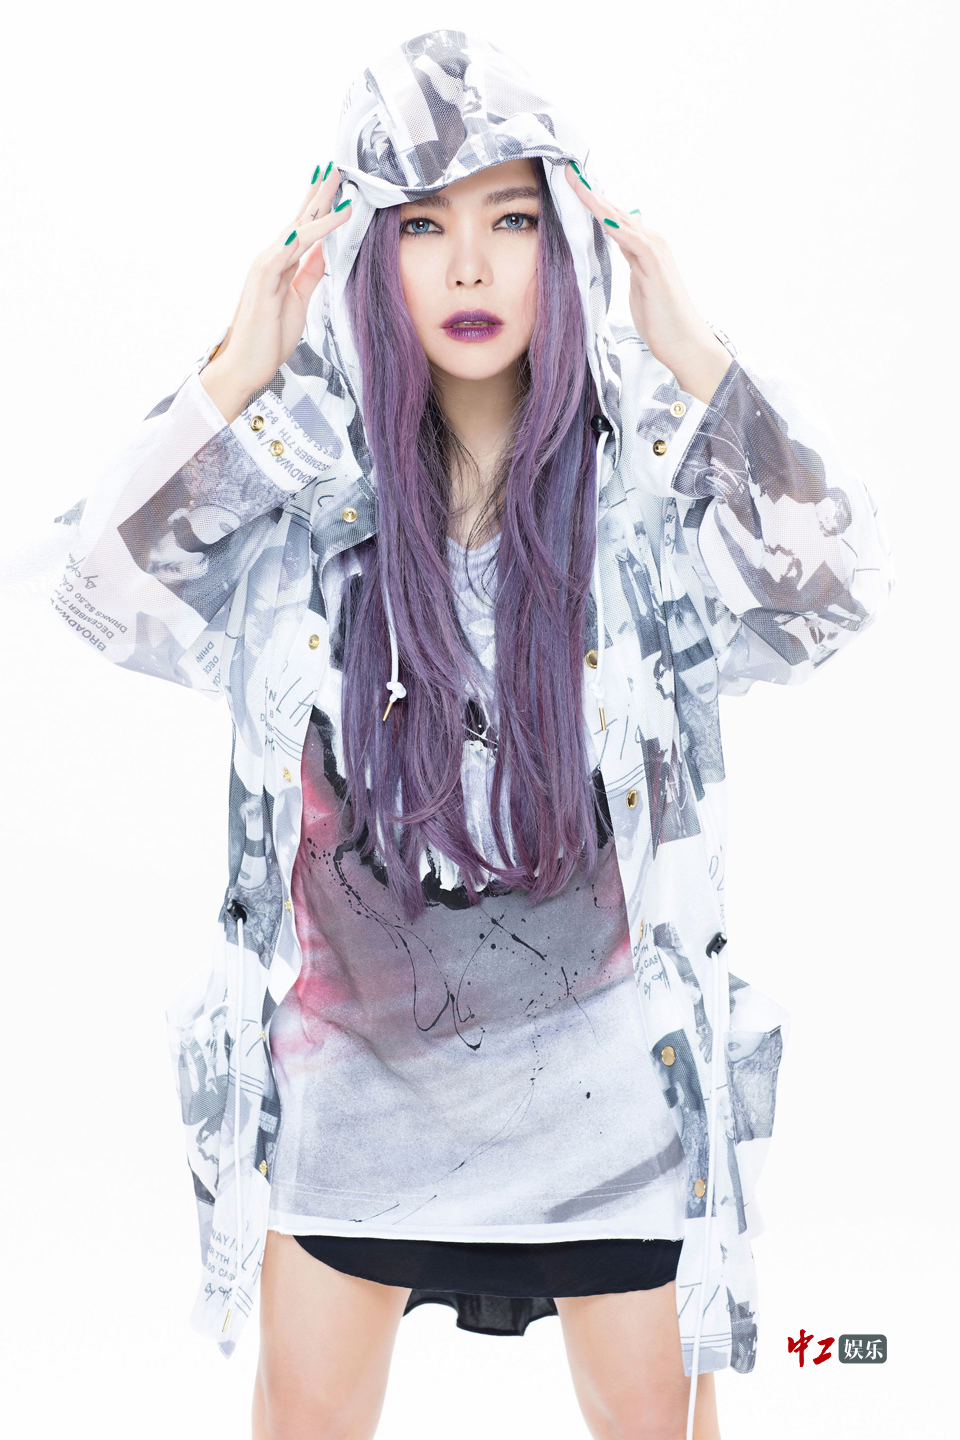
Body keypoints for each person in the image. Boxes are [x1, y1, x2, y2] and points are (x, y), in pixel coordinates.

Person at [45, 28, 892, 1440]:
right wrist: (236, 371)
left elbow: (838, 589)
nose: (470, 268)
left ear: (566, 243)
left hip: (612, 1105)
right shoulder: (305, 510)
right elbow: (94, 592)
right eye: (423, 227)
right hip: (353, 1099)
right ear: (369, 257)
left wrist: (693, 353)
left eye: (511, 220)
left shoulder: (639, 509)